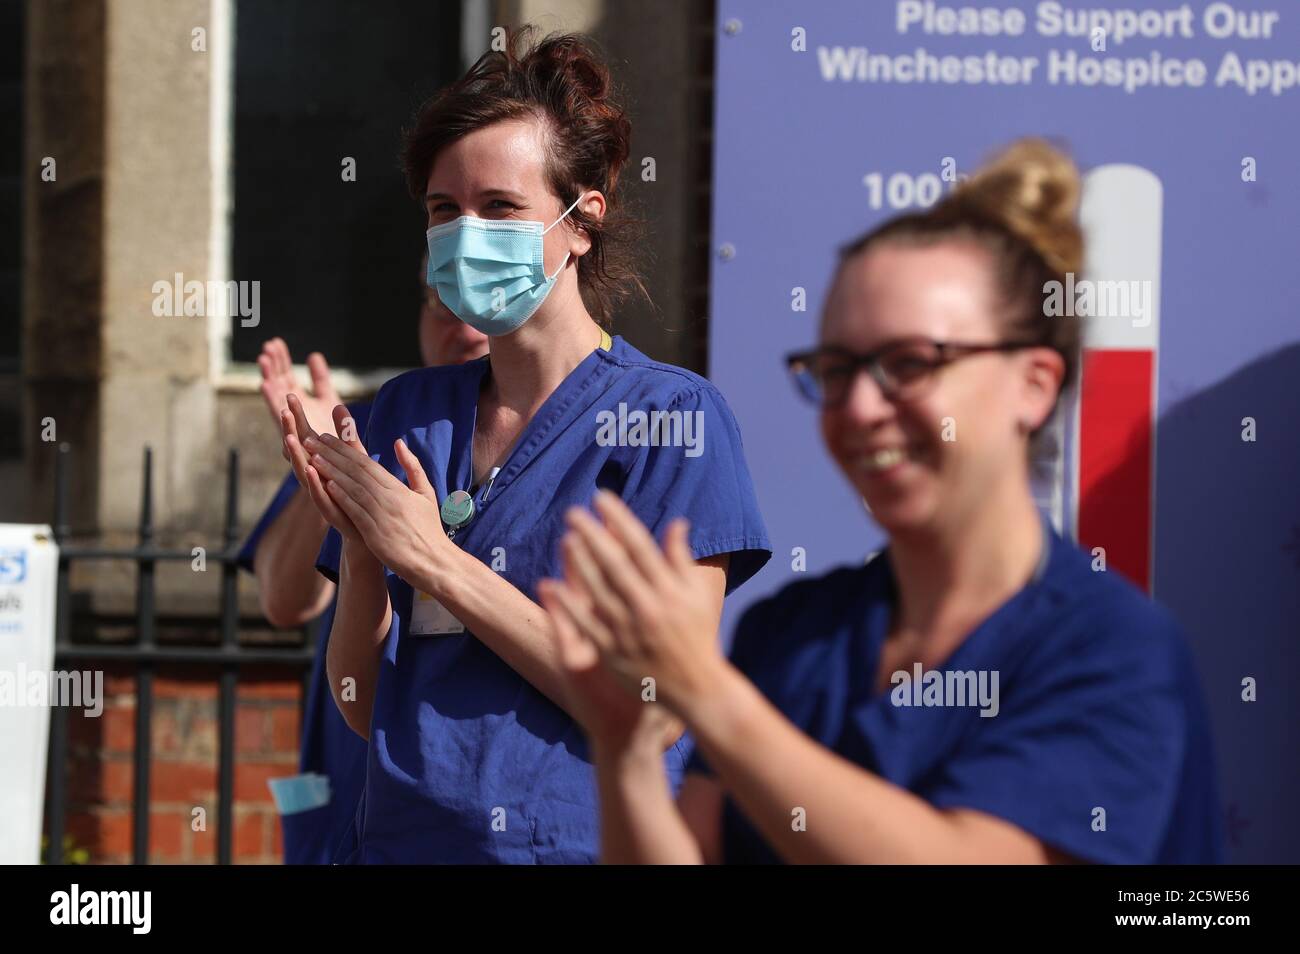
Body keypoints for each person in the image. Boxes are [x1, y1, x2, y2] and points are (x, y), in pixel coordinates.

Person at [539, 139, 1226, 864]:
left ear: (1035, 382)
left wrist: (706, 692)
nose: (862, 406)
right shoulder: (793, 635)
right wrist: (625, 749)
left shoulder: (1112, 650)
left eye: (910, 364)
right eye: (836, 370)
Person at [279, 27, 772, 864]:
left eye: (501, 208)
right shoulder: (407, 410)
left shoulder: (673, 419)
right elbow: (364, 706)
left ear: (582, 221)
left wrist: (435, 562)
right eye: (444, 210)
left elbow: (655, 703)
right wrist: (365, 555)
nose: (467, 233)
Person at [238, 266, 487, 864]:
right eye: (443, 302)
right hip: (347, 796)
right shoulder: (375, 422)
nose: (465, 325)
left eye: (485, 302)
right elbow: (284, 599)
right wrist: (323, 467)